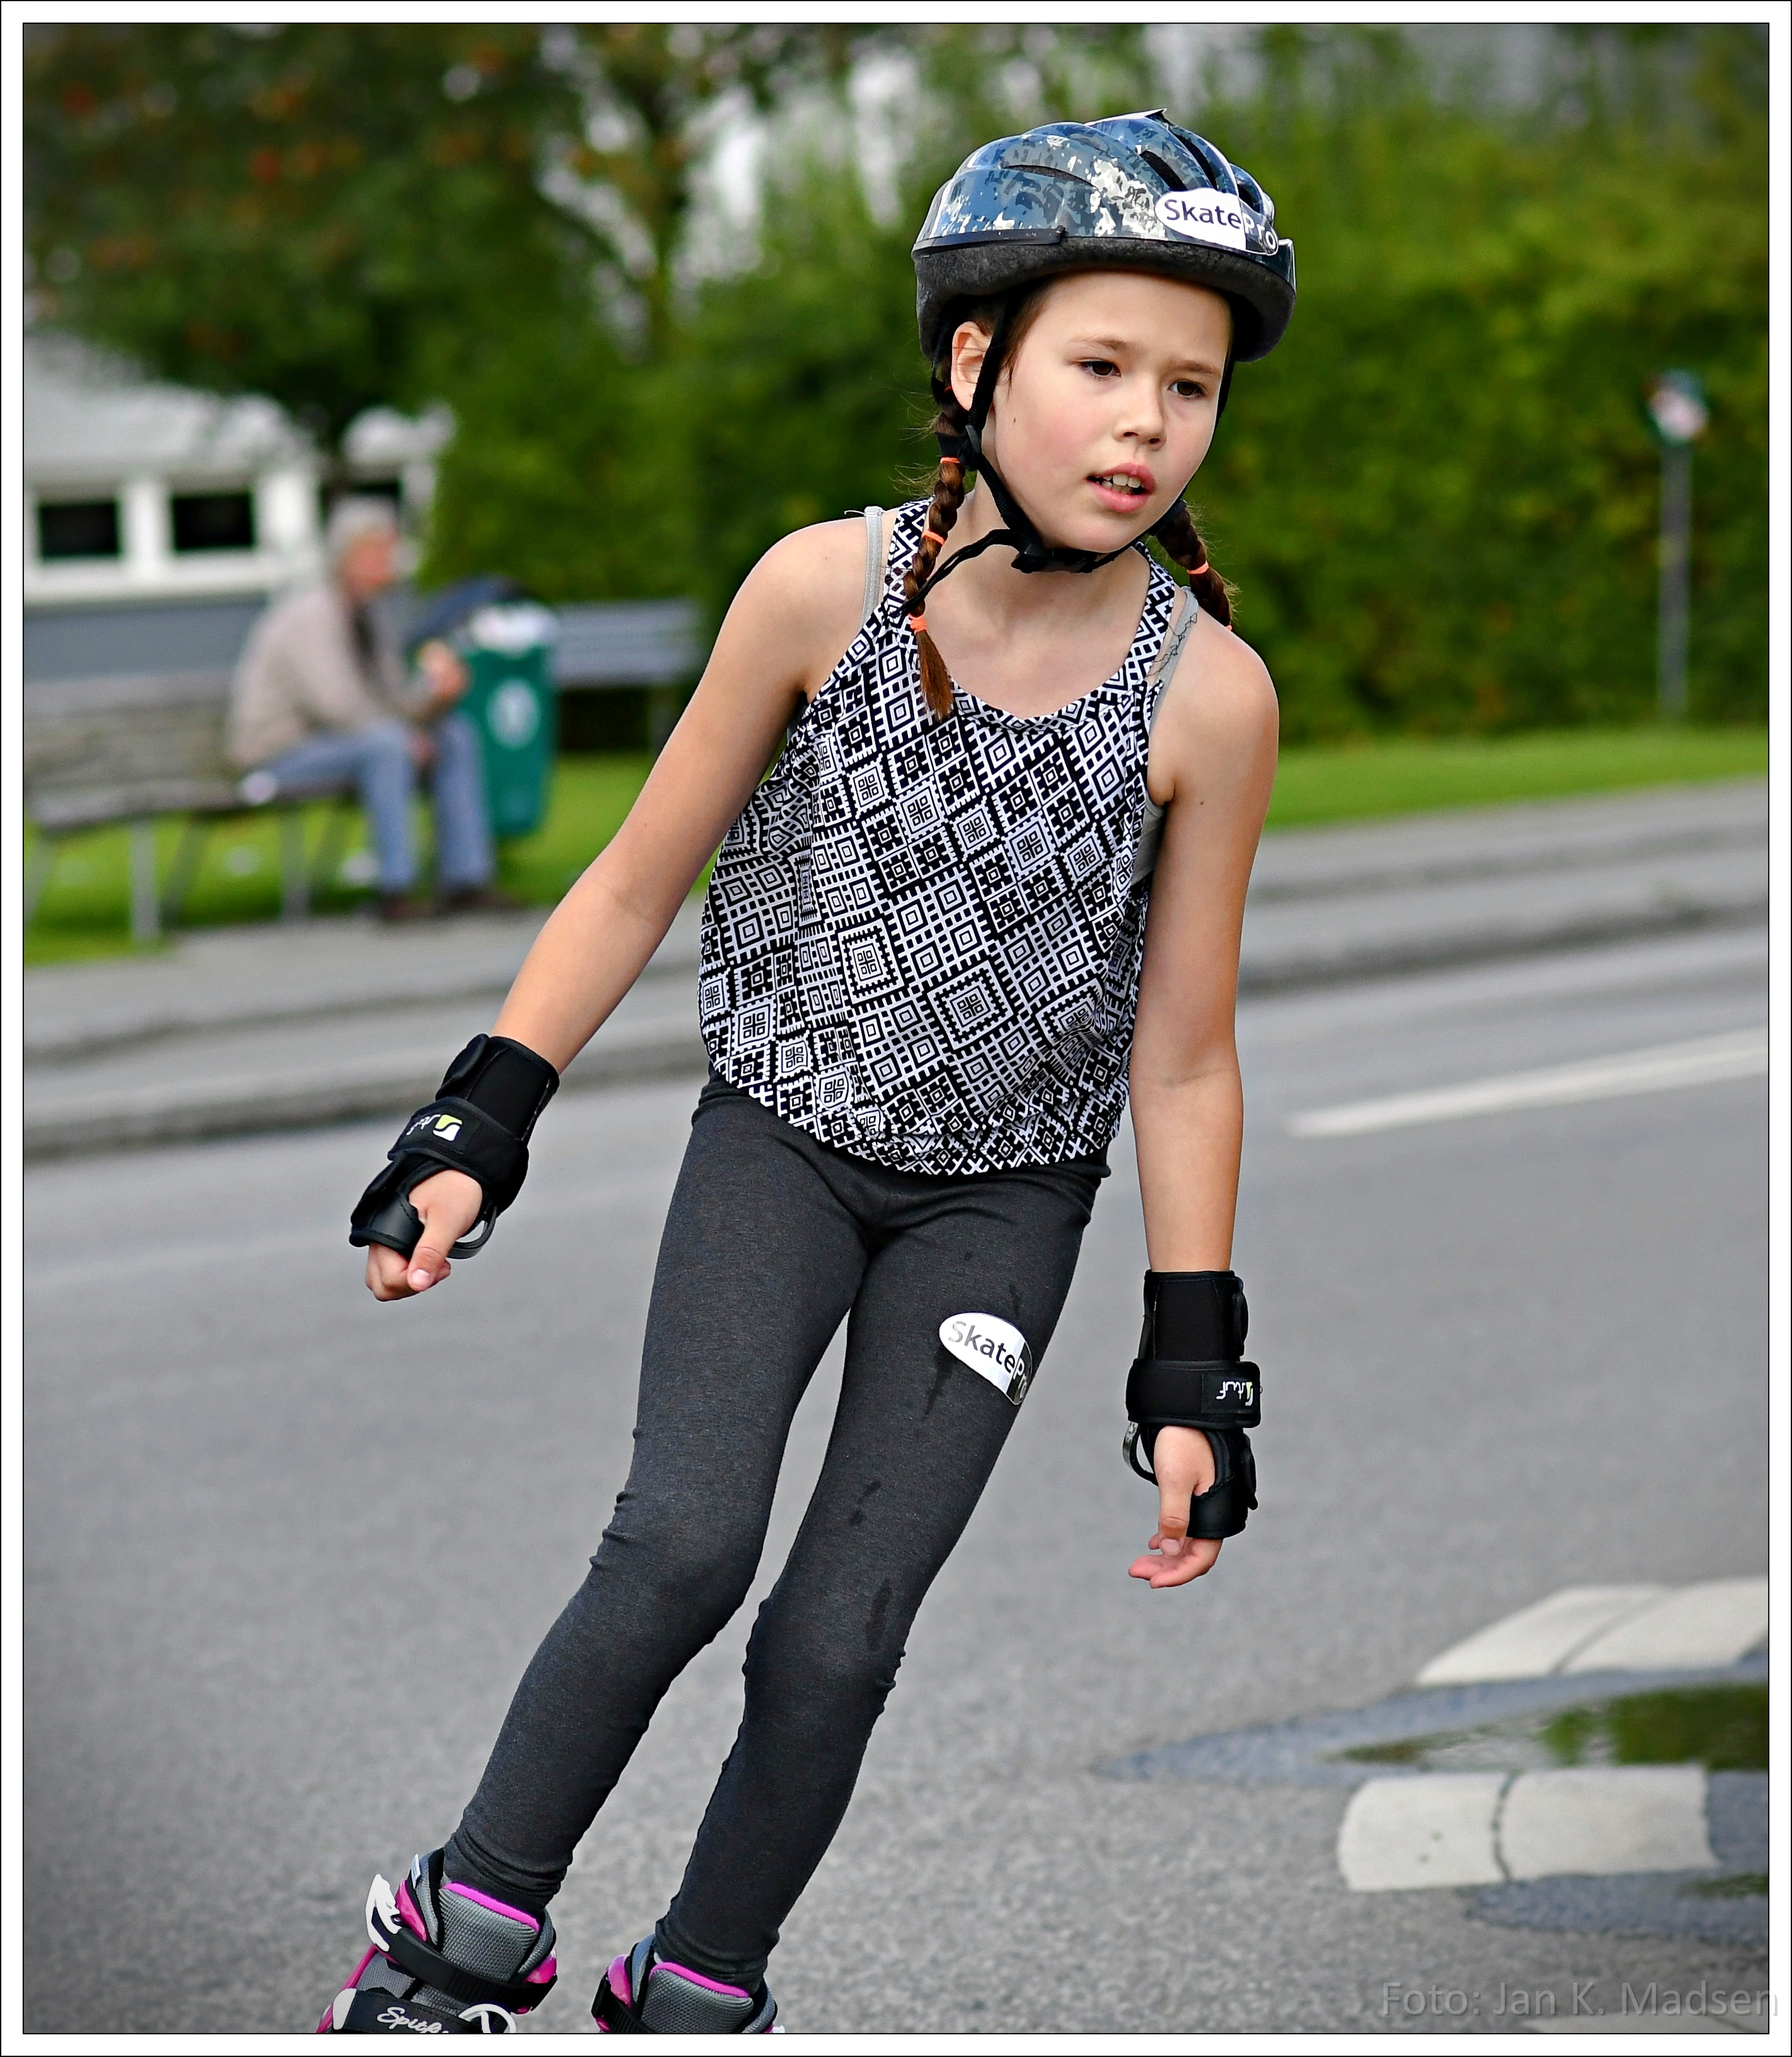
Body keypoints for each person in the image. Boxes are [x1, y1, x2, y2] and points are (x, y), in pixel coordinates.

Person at [321, 110, 1292, 2035]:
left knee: (842, 1634)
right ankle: (457, 1933)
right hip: (778, 1140)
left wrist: (1192, 1359)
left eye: (1188, 385)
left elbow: (1184, 1060)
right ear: (976, 360)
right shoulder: (818, 594)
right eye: (1102, 365)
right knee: (681, 1542)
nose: (1146, 422)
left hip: (1001, 1205)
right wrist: (476, 1121)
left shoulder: (1209, 696)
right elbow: (630, 879)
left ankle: (698, 1982)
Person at [228, 496, 514, 922]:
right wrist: (405, 734)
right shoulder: (311, 616)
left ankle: (466, 880)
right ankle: (395, 890)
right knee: (387, 746)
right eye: (379, 551)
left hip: (348, 743)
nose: (390, 562)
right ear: (348, 556)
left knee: (455, 734)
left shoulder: (369, 617)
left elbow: (393, 701)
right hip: (281, 753)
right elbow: (337, 706)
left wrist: (435, 695)